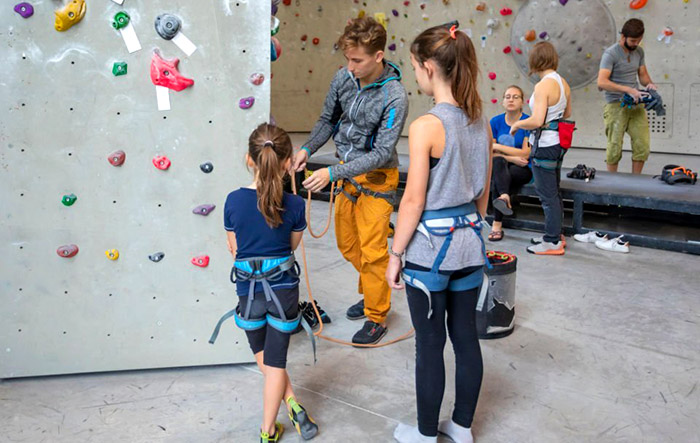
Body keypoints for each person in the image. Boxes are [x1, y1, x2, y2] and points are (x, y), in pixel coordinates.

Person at [386, 24, 492, 443]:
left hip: (430, 253)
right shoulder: (481, 123)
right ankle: (462, 428)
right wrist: (475, 228)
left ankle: (426, 434)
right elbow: (483, 194)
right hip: (469, 246)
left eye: (415, 67)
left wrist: (396, 253)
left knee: (429, 344)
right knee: (465, 337)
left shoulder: (427, 125)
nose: (415, 75)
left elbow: (412, 202)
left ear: (430, 67)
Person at [292, 17, 409, 345]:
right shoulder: (343, 78)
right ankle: (376, 287)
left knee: (373, 251)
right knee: (348, 245)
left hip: (377, 177)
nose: (350, 66)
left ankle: (377, 314)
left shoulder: (394, 96)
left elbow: (383, 153)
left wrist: (331, 173)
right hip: (347, 173)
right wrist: (306, 148)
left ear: (378, 56)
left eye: (357, 60)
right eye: (347, 59)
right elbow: (327, 120)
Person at [222, 124, 318, 442]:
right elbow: (289, 247)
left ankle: (269, 430)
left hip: (249, 292)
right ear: (288, 161)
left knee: (262, 354)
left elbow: (234, 248)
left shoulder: (233, 201)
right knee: (275, 360)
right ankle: (288, 407)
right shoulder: (294, 204)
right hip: (282, 289)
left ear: (249, 160)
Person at [510, 41, 572, 255]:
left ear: (535, 60)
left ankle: (552, 241)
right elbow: (567, 113)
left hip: (545, 144)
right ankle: (556, 233)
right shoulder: (563, 82)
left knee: (547, 195)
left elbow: (536, 120)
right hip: (557, 143)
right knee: (553, 191)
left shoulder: (543, 85)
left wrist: (517, 124)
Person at [597, 18, 656, 174]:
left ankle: (635, 182)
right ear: (623, 36)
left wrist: (650, 85)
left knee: (642, 144)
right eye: (633, 40)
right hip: (616, 104)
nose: (636, 43)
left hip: (636, 104)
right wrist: (627, 90)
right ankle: (612, 182)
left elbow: (643, 76)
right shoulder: (610, 54)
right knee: (614, 146)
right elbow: (602, 82)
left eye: (639, 40)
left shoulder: (639, 52)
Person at [488, 85, 532, 242]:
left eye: (515, 97)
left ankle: (497, 222)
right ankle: (504, 199)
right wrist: (511, 158)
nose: (511, 100)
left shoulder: (527, 121)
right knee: (498, 162)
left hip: (523, 168)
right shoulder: (495, 122)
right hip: (504, 164)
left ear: (522, 102)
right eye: (507, 97)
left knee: (499, 177)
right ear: (502, 102)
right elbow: (490, 152)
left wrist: (498, 147)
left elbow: (526, 154)